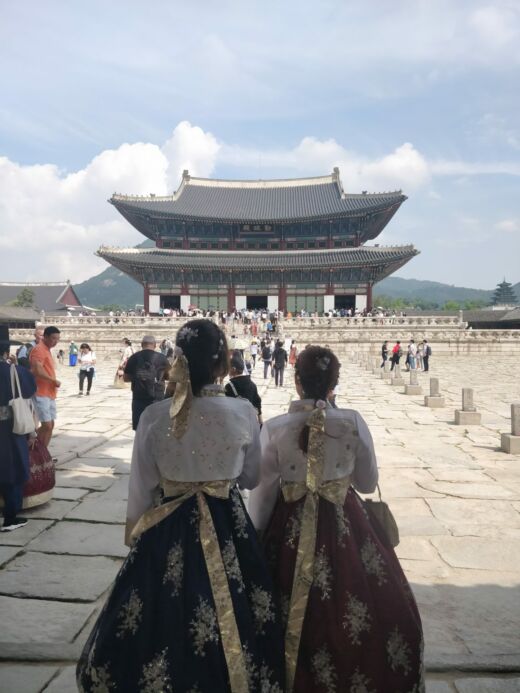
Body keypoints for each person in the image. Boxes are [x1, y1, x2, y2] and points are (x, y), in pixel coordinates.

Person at [77, 319, 284, 692]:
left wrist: (137, 537)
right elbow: (252, 479)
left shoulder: (154, 417)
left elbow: (141, 486)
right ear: (221, 363)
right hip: (227, 523)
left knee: (159, 615)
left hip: (166, 526)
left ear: (179, 359)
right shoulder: (243, 413)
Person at [248, 346, 424, 692]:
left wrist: (257, 535)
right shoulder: (352, 422)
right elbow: (366, 482)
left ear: (296, 382)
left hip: (289, 528)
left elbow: (263, 491)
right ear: (334, 384)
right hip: (346, 522)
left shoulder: (275, 427)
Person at [0, 326, 37, 531]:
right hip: (9, 428)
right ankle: (10, 517)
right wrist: (15, 367)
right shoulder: (15, 372)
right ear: (6, 353)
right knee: (12, 469)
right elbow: (30, 391)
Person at [124, 335, 170, 430]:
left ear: (141, 345)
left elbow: (125, 378)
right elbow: (169, 376)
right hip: (157, 398)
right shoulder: (162, 358)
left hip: (138, 398)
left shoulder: (133, 358)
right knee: (157, 428)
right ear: (155, 345)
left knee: (140, 428)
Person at [29, 326, 61, 450]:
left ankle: (44, 454)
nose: (56, 341)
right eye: (53, 338)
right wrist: (53, 380)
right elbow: (37, 369)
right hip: (40, 392)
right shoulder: (39, 350)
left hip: (49, 392)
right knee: (46, 425)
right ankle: (33, 448)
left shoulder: (47, 349)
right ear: (45, 337)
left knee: (51, 424)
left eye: (58, 339)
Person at [225, 351, 262, 424]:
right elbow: (257, 403)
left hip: (236, 422)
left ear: (233, 369)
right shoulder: (252, 384)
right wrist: (260, 421)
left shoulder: (229, 386)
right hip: (250, 421)